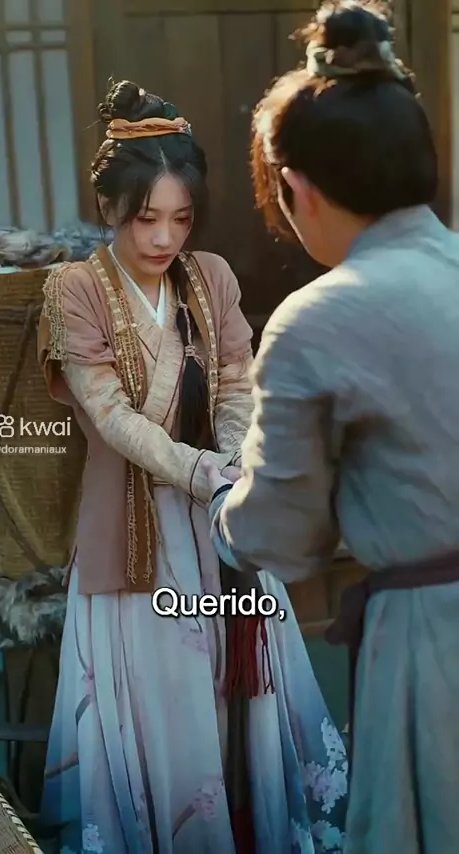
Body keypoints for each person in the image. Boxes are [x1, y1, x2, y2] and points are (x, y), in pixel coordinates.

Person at [36, 79, 347, 853]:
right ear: (108, 206)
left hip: (220, 518)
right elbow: (110, 418)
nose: (164, 237)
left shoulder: (211, 276)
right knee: (165, 700)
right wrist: (206, 471)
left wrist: (233, 455)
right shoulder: (75, 289)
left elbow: (239, 380)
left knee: (242, 697)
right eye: (146, 218)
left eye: (180, 218)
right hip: (135, 530)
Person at [207, 2, 459, 853]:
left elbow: (283, 534)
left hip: (435, 642)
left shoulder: (318, 318)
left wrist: (225, 511)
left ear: (298, 187)